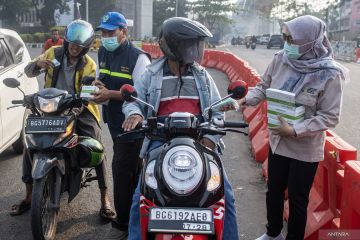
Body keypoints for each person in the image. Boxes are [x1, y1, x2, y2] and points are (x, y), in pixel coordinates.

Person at [122, 17, 240, 240]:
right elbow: (132, 101)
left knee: (226, 195)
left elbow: (216, 110)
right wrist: (135, 113)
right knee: (142, 195)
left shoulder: (202, 76)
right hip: (160, 141)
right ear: (174, 46)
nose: (196, 50)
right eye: (191, 44)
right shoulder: (151, 74)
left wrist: (211, 138)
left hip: (199, 141)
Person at [238, 15, 349, 240]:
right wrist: (245, 99)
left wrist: (296, 129)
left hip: (305, 148)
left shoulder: (330, 74)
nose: (287, 43)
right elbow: (263, 87)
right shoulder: (281, 60)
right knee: (274, 191)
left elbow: (329, 117)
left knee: (298, 199)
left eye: (292, 39)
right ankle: (273, 233)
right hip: (279, 141)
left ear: (311, 41)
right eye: (285, 37)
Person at [11, 19, 116, 221]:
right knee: (30, 144)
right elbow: (29, 71)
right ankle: (29, 195)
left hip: (79, 108)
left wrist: (73, 112)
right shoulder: (53, 53)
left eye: (80, 45)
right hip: (49, 108)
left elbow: (87, 94)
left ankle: (104, 197)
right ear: (66, 40)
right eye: (72, 43)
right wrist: (36, 64)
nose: (75, 48)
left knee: (95, 145)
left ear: (86, 47)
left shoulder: (89, 64)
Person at [92, 12, 151, 239]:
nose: (105, 36)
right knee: (131, 172)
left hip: (133, 124)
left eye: (110, 32)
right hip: (114, 122)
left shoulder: (138, 58)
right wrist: (98, 86)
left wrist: (111, 94)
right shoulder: (104, 51)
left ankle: (124, 225)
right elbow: (102, 77)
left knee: (122, 171)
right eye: (103, 32)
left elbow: (142, 96)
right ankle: (138, 218)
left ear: (123, 32)